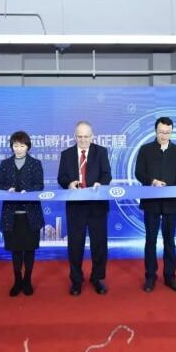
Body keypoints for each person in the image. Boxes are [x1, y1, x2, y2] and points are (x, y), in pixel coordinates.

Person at [135, 117, 176, 293]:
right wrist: (152, 181)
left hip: (171, 203)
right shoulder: (145, 150)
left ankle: (170, 277)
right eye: (161, 132)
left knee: (169, 241)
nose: (164, 135)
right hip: (151, 202)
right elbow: (139, 173)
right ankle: (150, 276)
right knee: (150, 240)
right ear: (155, 131)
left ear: (171, 132)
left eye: (167, 132)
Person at [58, 121, 112, 296]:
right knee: (75, 245)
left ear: (92, 136)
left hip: (97, 205)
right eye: (79, 136)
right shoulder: (66, 154)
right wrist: (69, 183)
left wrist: (100, 184)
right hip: (76, 207)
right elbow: (61, 177)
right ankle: (76, 281)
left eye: (86, 136)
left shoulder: (101, 152)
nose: (83, 140)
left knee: (99, 244)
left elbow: (107, 175)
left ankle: (98, 278)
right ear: (75, 137)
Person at [0, 131, 45, 296]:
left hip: (30, 215)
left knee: (29, 249)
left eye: (22, 145)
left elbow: (39, 185)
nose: (18, 149)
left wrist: (27, 191)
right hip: (11, 214)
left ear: (28, 147)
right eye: (15, 145)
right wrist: (7, 189)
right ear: (11, 146)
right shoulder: (5, 164)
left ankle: (27, 280)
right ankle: (17, 281)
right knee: (15, 250)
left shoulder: (35, 163)